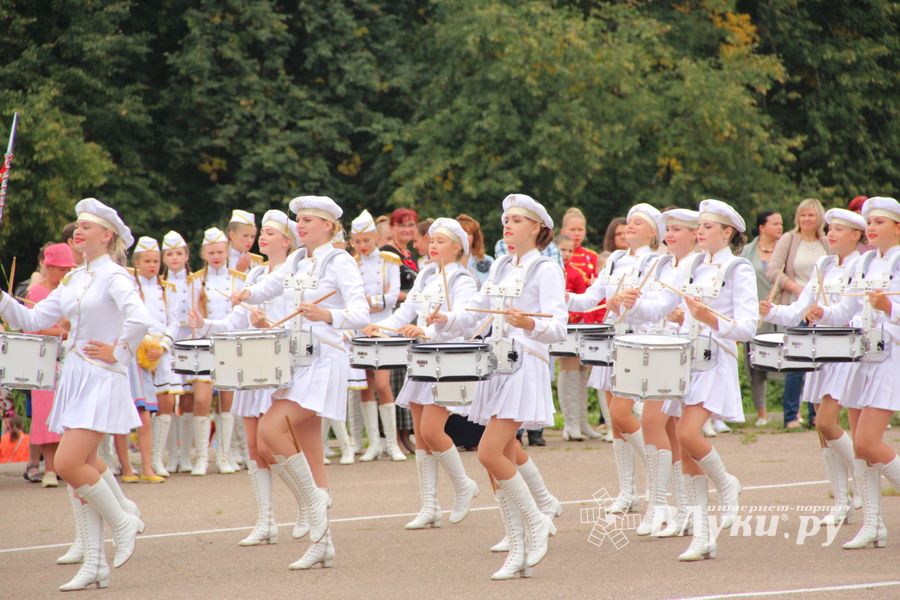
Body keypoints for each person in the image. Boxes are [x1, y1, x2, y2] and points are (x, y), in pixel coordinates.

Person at [0, 198, 150, 591]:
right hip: (76, 378)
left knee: (67, 463)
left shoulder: (115, 276)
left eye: (86, 227)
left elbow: (140, 317)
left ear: (107, 235)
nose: (77, 231)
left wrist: (119, 349)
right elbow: (31, 319)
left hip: (102, 377)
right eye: (77, 225)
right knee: (85, 466)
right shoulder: (74, 279)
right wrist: (2, 298)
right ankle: (96, 563)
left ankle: (123, 520)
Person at [227, 195, 369, 569]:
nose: (301, 225)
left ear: (329, 226)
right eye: (299, 220)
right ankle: (323, 541)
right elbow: (270, 288)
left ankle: (314, 506)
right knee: (310, 456)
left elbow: (360, 312)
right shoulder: (296, 260)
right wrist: (246, 294)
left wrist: (327, 313)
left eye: (308, 220)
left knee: (270, 432)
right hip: (296, 360)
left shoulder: (340, 261)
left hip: (325, 359)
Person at [433, 194, 566, 580]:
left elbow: (558, 326)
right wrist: (445, 319)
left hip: (525, 365)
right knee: (500, 456)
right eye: (506, 220)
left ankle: (536, 520)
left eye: (517, 221)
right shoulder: (503, 265)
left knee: (489, 452)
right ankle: (518, 543)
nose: (507, 226)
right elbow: (477, 312)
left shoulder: (546, 269)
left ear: (537, 228)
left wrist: (528, 324)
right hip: (496, 364)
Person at [621, 199, 757, 561]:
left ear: (728, 232)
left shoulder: (738, 268)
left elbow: (747, 327)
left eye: (709, 227)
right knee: (686, 451)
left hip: (716, 362)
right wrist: (630, 303)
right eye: (701, 226)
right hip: (686, 361)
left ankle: (727, 484)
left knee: (686, 434)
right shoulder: (692, 265)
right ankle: (702, 533)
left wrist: (709, 319)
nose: (701, 231)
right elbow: (660, 306)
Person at [365, 218, 482, 528]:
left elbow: (467, 318)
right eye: (431, 240)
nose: (433, 246)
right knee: (421, 434)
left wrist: (430, 328)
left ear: (457, 247)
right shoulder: (427, 275)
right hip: (424, 359)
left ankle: (463, 485)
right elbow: (404, 313)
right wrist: (381, 327)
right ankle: (429, 505)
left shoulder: (463, 280)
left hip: (450, 359)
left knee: (432, 430)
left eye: (441, 241)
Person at [193, 209, 298, 546]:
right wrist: (204, 324)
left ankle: (307, 506)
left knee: (275, 444)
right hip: (252, 363)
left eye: (268, 233)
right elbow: (234, 321)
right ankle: (265, 520)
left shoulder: (296, 273)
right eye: (260, 233)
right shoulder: (253, 275)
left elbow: (297, 320)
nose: (260, 238)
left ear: (286, 240)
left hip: (281, 361)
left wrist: (271, 324)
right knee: (254, 447)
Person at [760, 208, 866, 527]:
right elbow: (800, 309)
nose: (831, 233)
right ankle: (841, 500)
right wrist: (773, 310)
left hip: (847, 347)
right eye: (830, 228)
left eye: (840, 230)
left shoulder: (863, 266)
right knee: (822, 430)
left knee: (827, 420)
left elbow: (851, 310)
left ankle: (863, 483)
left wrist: (824, 313)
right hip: (820, 350)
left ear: (856, 236)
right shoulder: (823, 265)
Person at [806, 197, 900, 550]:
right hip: (860, 358)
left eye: (879, 222)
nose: (872, 227)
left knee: (867, 442)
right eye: (869, 222)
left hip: (889, 357)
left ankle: (873, 522)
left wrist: (889, 305)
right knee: (861, 451)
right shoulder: (863, 261)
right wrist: (822, 313)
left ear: (897, 228)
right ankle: (873, 525)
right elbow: (846, 308)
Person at [569, 203, 662, 514]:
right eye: (628, 221)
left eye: (638, 223)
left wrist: (625, 303)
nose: (629, 226)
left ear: (653, 232)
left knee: (623, 414)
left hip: (639, 342)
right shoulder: (614, 261)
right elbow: (589, 299)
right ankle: (627, 491)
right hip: (612, 341)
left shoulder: (658, 263)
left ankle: (657, 476)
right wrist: (560, 292)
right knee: (615, 421)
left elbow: (654, 306)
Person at [633, 208, 700, 537]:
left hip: (685, 352)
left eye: (677, 230)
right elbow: (654, 306)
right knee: (671, 430)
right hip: (662, 349)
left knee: (654, 423)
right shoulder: (661, 263)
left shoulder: (697, 266)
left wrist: (682, 319)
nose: (669, 235)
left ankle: (660, 505)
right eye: (667, 229)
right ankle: (681, 508)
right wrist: (628, 304)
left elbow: (703, 310)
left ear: (694, 234)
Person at [186, 227, 247, 475]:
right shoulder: (195, 280)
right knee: (202, 399)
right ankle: (201, 457)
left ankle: (223, 455)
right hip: (204, 342)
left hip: (230, 342)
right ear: (204, 253)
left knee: (227, 401)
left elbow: (241, 316)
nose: (216, 256)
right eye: (211, 252)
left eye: (220, 251)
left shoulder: (238, 279)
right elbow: (192, 315)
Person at [767, 198, 829, 429]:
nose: (806, 219)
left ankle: (816, 415)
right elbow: (773, 269)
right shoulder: (789, 239)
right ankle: (791, 415)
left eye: (811, 215)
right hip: (795, 304)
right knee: (796, 364)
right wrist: (795, 287)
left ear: (819, 218)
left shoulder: (826, 242)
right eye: (802, 215)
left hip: (820, 311)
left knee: (820, 362)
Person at [350, 209, 404, 462]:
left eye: (366, 241)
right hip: (361, 328)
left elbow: (393, 296)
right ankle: (373, 444)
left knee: (383, 384)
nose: (362, 246)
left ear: (375, 238)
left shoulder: (388, 261)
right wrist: (370, 303)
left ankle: (391, 444)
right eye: (358, 241)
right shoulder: (351, 264)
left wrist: (371, 301)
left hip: (384, 327)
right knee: (365, 385)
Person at [25, 243, 78, 487]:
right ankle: (49, 467)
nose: (64, 274)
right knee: (45, 411)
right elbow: (31, 326)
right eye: (60, 269)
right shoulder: (35, 292)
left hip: (70, 358)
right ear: (47, 267)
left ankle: (65, 465)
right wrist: (61, 331)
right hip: (44, 358)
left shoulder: (72, 290)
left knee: (69, 410)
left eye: (68, 270)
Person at [558, 207, 603, 440]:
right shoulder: (558, 255)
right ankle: (570, 423)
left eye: (580, 229)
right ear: (564, 230)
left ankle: (583, 422)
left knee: (585, 369)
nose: (576, 234)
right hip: (567, 320)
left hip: (588, 319)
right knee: (569, 367)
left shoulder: (592, 257)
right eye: (572, 229)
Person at [381, 208, 420, 453]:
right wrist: (413, 297)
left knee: (407, 373)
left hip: (410, 313)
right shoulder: (388, 253)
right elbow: (388, 289)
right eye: (402, 224)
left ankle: (407, 434)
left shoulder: (409, 254)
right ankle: (394, 435)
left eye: (411, 225)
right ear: (393, 228)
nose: (407, 229)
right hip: (395, 313)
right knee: (394, 376)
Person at [740, 211, 783, 426]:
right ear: (762, 227)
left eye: (781, 223)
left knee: (789, 362)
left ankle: (792, 411)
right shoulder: (747, 252)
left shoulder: (785, 250)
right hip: (754, 314)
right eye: (775, 223)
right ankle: (762, 413)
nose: (779, 227)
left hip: (780, 311)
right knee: (756, 364)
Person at [161, 231, 194, 473]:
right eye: (170, 254)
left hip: (192, 339)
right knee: (170, 398)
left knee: (190, 398)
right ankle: (171, 454)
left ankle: (187, 454)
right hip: (169, 341)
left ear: (187, 255)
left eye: (179, 253)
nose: (175, 258)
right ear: (164, 258)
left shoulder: (197, 281)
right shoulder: (159, 285)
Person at [456, 213, 494, 289]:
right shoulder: (446, 261)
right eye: (462, 233)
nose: (465, 237)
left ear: (475, 237)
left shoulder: (488, 261)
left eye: (469, 233)